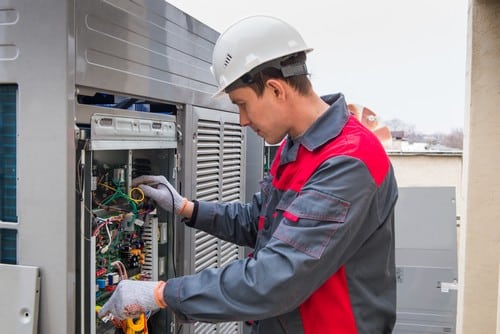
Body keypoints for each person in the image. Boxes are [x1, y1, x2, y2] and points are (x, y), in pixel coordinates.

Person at [99, 15, 399, 333]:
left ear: (275, 89)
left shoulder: (350, 161)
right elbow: (259, 222)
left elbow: (276, 279)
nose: (242, 120)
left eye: (242, 104)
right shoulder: (295, 149)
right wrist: (186, 207)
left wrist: (161, 293)